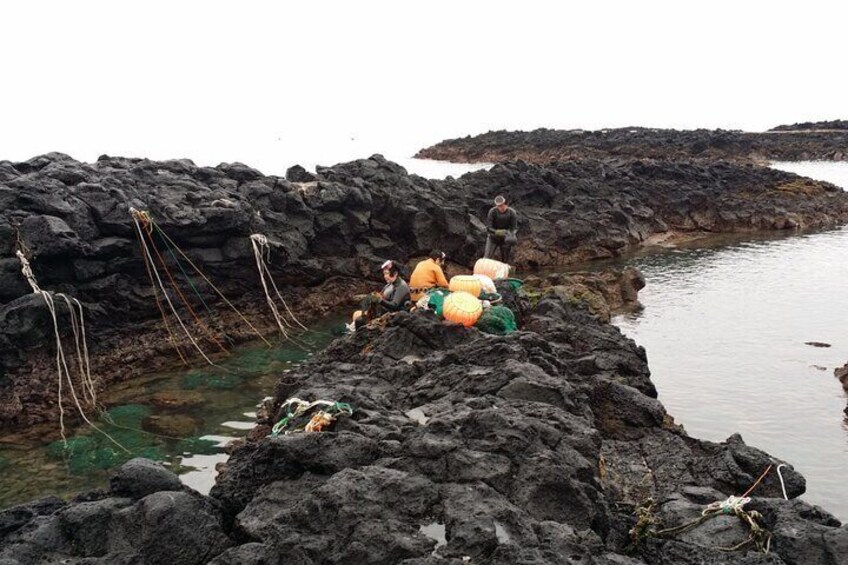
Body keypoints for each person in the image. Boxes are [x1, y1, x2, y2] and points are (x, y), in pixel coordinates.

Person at [350, 260, 411, 329]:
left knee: (359, 321)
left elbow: (394, 306)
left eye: (387, 273)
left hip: (391, 316)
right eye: (384, 274)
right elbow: (381, 296)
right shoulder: (389, 284)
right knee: (356, 314)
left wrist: (380, 300)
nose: (385, 276)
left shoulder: (401, 286)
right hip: (381, 312)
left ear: (395, 273)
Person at [484, 195, 518, 263]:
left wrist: (511, 235)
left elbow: (514, 227)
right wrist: (497, 232)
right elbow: (489, 227)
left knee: (505, 261)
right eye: (498, 206)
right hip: (493, 237)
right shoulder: (492, 211)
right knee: (487, 258)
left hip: (505, 238)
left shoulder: (512, 213)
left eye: (502, 205)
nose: (501, 208)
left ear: (506, 204)